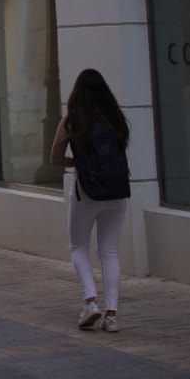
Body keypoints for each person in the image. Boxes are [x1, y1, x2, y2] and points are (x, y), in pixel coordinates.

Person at [51, 69, 131, 334]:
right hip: (118, 192)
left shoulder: (72, 121)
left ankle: (90, 302)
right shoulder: (116, 119)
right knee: (109, 251)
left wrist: (79, 162)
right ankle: (112, 316)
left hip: (87, 191)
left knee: (78, 246)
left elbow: (55, 158)